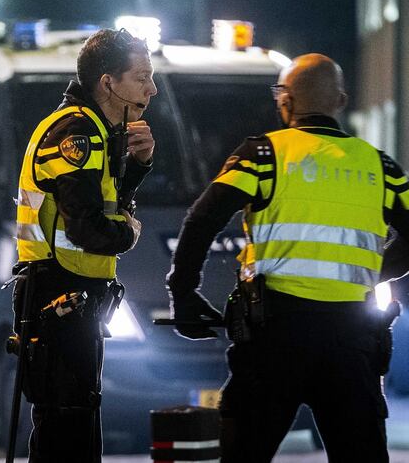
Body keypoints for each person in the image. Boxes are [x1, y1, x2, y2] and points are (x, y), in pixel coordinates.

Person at [166, 53, 409, 462]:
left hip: (274, 336)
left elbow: (204, 217)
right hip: (352, 339)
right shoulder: (381, 168)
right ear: (341, 101)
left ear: (286, 101)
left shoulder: (262, 155)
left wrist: (184, 291)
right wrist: (372, 273)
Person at [13, 27, 156, 461]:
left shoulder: (96, 128)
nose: (152, 88)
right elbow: (87, 228)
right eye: (142, 77)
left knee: (76, 422)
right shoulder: (77, 132)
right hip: (57, 293)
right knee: (65, 429)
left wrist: (138, 166)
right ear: (108, 82)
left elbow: (103, 204)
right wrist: (128, 235)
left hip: (73, 297)